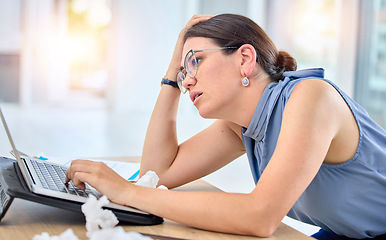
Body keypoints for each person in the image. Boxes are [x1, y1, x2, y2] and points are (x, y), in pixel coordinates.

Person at [65, 14, 386, 239]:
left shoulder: (311, 97)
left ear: (245, 58)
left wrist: (126, 191)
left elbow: (260, 216)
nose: (187, 78)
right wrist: (170, 74)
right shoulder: (242, 126)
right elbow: (156, 173)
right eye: (183, 69)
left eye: (196, 61)